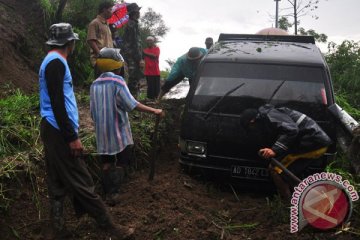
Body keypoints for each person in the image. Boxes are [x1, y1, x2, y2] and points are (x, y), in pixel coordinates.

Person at [39, 23, 134, 240]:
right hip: (57, 130)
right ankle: (110, 226)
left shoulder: (53, 60)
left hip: (53, 128)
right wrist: (71, 137)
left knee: (57, 180)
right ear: (70, 43)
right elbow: (57, 103)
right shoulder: (56, 63)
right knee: (82, 179)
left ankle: (58, 228)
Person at [90, 47, 164, 205]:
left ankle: (107, 192)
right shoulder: (117, 81)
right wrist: (154, 110)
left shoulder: (94, 84)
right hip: (118, 132)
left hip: (101, 133)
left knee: (106, 162)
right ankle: (115, 193)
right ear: (117, 66)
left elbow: (92, 111)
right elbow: (132, 104)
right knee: (123, 160)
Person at [240, 104, 332, 200]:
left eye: (250, 128)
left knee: (275, 169)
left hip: (313, 142)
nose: (253, 131)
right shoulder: (267, 117)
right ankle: (298, 200)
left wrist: (274, 150)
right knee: (286, 172)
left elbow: (291, 130)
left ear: (252, 121)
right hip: (312, 143)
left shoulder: (270, 115)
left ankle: (288, 202)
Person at [87, 1, 114, 77]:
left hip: (109, 60)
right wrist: (100, 54)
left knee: (108, 84)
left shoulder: (107, 24)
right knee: (101, 84)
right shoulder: (95, 23)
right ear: (104, 10)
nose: (112, 12)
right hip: (100, 60)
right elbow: (91, 40)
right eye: (110, 9)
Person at [122, 3, 143, 97]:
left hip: (128, 55)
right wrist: (140, 59)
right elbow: (135, 43)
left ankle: (132, 101)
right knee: (133, 79)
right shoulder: (132, 24)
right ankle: (133, 103)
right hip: (132, 57)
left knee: (131, 79)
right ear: (135, 12)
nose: (139, 13)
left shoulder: (131, 24)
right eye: (138, 11)